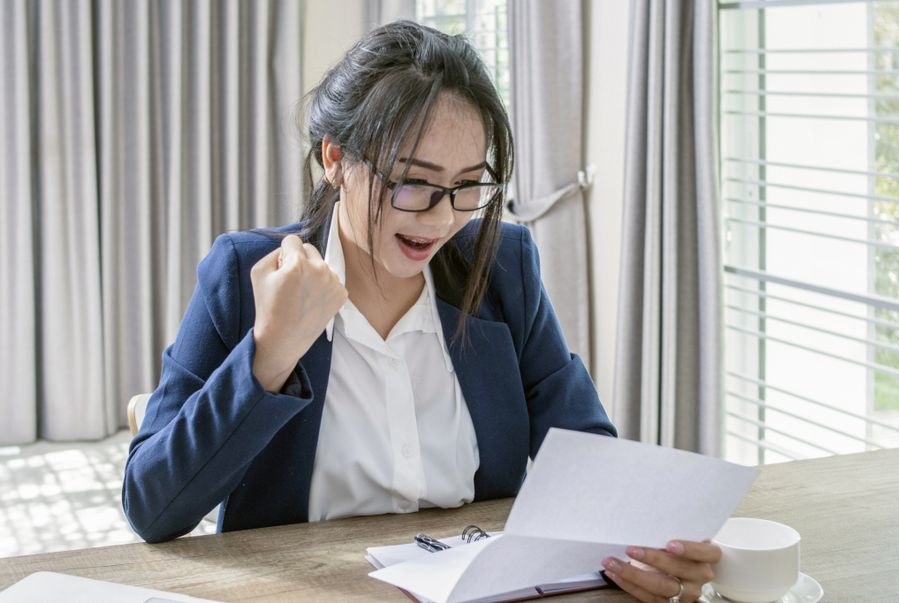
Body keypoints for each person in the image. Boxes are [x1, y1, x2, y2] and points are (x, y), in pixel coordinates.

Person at [122, 20, 719, 603]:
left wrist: (643, 547)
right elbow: (152, 509)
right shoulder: (246, 273)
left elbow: (586, 454)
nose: (441, 218)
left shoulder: (503, 267)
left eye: (467, 185)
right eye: (414, 182)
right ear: (335, 158)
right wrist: (269, 353)